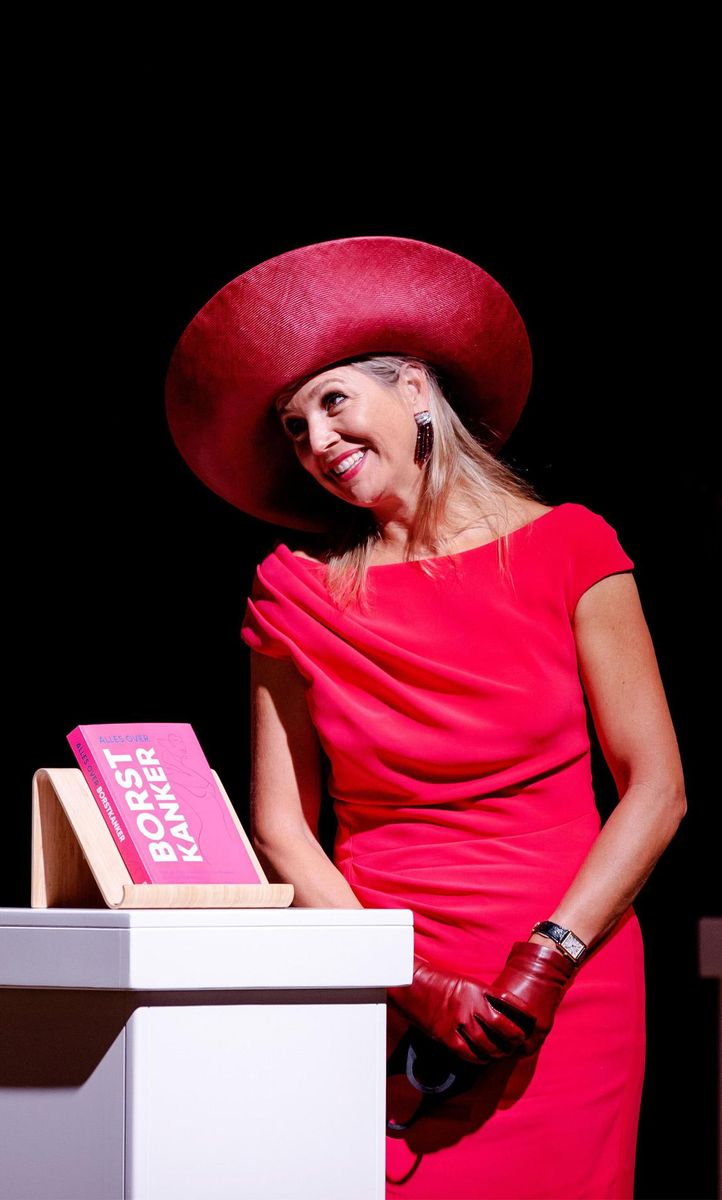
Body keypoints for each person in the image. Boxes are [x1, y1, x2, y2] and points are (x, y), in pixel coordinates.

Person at [165, 235, 687, 1200]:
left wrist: (547, 960)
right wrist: (403, 979)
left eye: (332, 402)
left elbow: (656, 788)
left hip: (569, 979)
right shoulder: (293, 595)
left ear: (412, 388)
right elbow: (281, 827)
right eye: (292, 427)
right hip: (380, 978)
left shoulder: (570, 546)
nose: (317, 441)